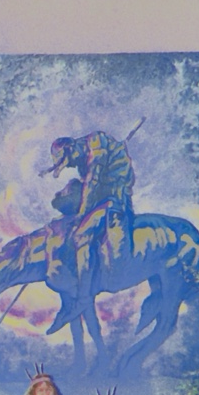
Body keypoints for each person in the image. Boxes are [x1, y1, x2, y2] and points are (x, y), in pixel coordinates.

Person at [42, 128, 138, 331]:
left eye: (69, 161)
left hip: (115, 199)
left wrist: (81, 215)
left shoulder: (96, 145)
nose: (71, 165)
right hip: (103, 200)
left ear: (71, 148)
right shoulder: (82, 160)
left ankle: (83, 298)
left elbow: (92, 183)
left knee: (81, 234)